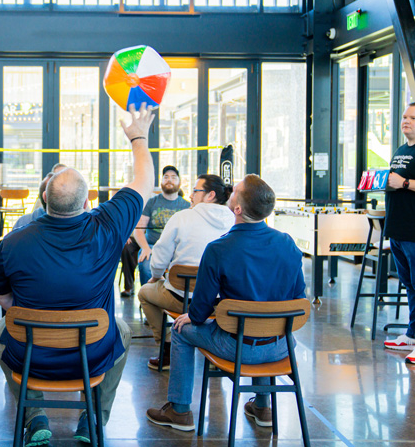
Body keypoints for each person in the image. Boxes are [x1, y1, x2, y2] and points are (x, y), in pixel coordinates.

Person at [0, 104, 155, 446]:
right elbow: (144, 182)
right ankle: (92, 417)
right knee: (122, 331)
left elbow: (2, 298)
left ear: (44, 199)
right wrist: (138, 136)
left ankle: (34, 416)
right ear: (86, 203)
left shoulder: (13, 241)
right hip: (90, 352)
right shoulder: (107, 226)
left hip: (30, 353)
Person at [146, 175, 306, 432]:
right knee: (262, 320)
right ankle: (263, 407)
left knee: (180, 329)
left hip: (237, 347)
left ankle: (179, 411)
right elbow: (299, 296)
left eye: (236, 191)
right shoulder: (287, 243)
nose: (230, 191)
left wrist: (192, 317)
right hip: (281, 346)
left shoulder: (219, 249)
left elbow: (199, 310)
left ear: (238, 209)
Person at [139, 174, 234, 370]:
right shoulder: (234, 220)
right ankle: (215, 350)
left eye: (196, 191)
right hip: (219, 302)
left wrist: (156, 277)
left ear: (210, 195)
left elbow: (159, 258)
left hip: (181, 296)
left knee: (144, 293)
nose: (190, 195)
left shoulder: (182, 217)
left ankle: (167, 348)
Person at [120, 165, 190, 297]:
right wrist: (146, 248)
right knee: (146, 265)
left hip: (176, 249)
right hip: (152, 246)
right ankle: (150, 300)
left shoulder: (186, 206)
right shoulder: (151, 202)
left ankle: (169, 298)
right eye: (166, 177)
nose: (169, 180)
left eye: (173, 177)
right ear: (161, 181)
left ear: (179, 182)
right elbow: (139, 229)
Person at [383, 104, 415, 363]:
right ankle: (412, 334)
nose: (406, 121)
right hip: (398, 230)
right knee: (410, 285)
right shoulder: (401, 150)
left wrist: (404, 183)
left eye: (413, 118)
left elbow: (402, 183)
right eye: (405, 117)